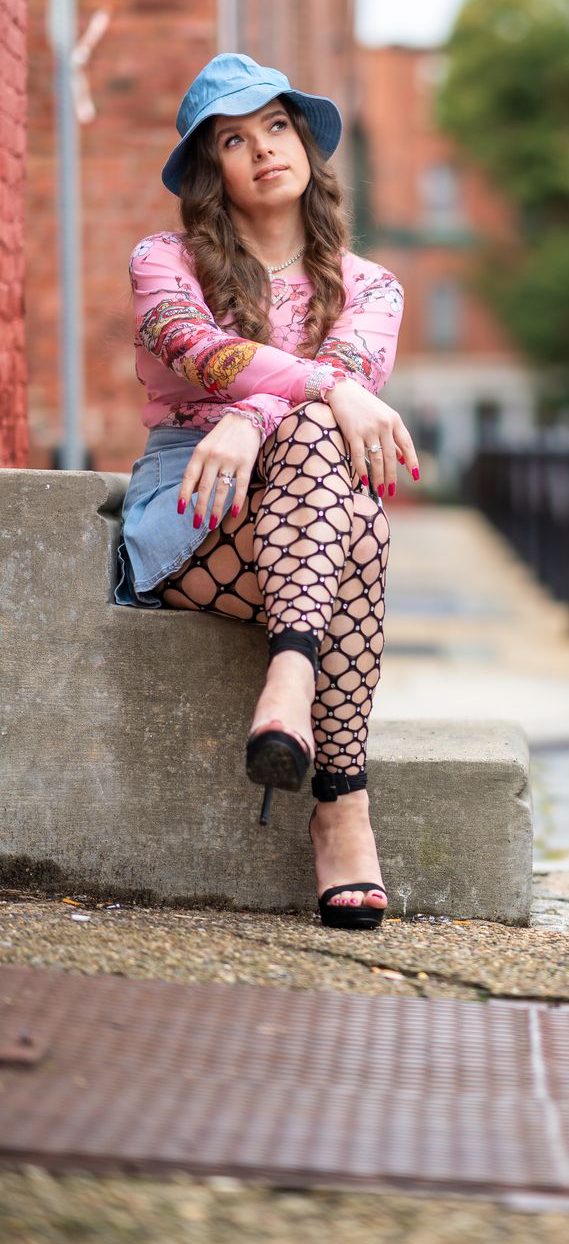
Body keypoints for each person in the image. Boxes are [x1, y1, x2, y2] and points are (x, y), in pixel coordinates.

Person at [113, 52, 418, 931]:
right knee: (358, 518)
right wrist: (282, 404)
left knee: (323, 447)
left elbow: (342, 379)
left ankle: (289, 679)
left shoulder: (370, 286)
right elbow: (193, 347)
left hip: (300, 515)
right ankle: (342, 812)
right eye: (234, 140)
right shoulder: (164, 260)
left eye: (276, 126)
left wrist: (252, 417)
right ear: (212, 171)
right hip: (196, 505)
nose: (263, 150)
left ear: (305, 144)